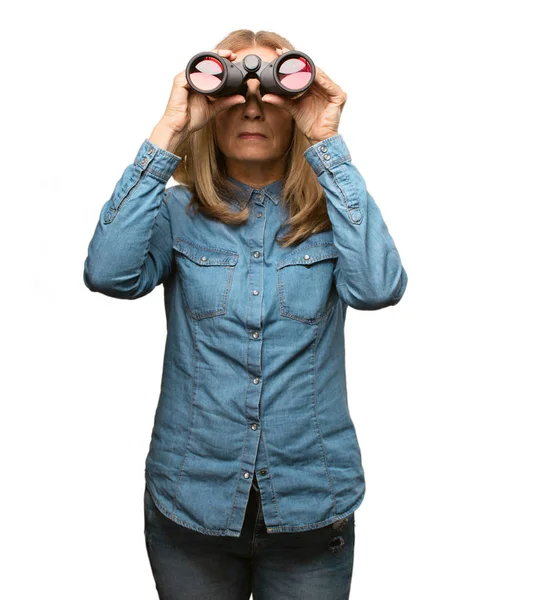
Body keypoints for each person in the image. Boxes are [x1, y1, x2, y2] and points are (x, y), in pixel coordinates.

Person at [83, 29, 408, 600]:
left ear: (293, 110)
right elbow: (108, 273)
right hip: (191, 501)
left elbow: (378, 288)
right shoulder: (176, 212)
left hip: (311, 503)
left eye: (272, 95)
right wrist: (171, 128)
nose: (254, 106)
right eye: (235, 93)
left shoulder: (333, 214)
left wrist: (325, 140)